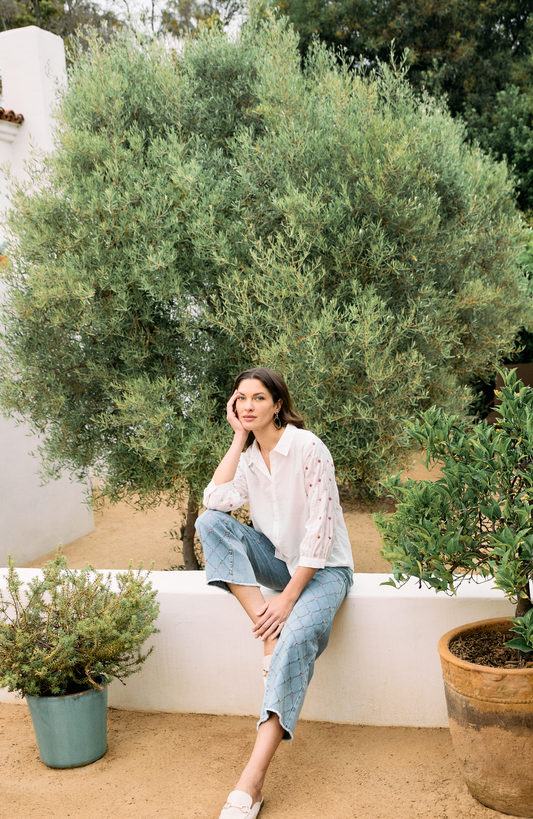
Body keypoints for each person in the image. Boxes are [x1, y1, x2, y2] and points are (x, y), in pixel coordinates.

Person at [195, 367, 354, 819]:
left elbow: (321, 537)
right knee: (209, 524)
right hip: (279, 566)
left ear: (278, 404)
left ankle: (252, 781)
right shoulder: (247, 457)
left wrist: (288, 600)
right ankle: (264, 621)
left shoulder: (308, 448)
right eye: (240, 398)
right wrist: (236, 441)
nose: (247, 406)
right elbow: (215, 502)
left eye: (258, 398)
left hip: (325, 572)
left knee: (293, 642)